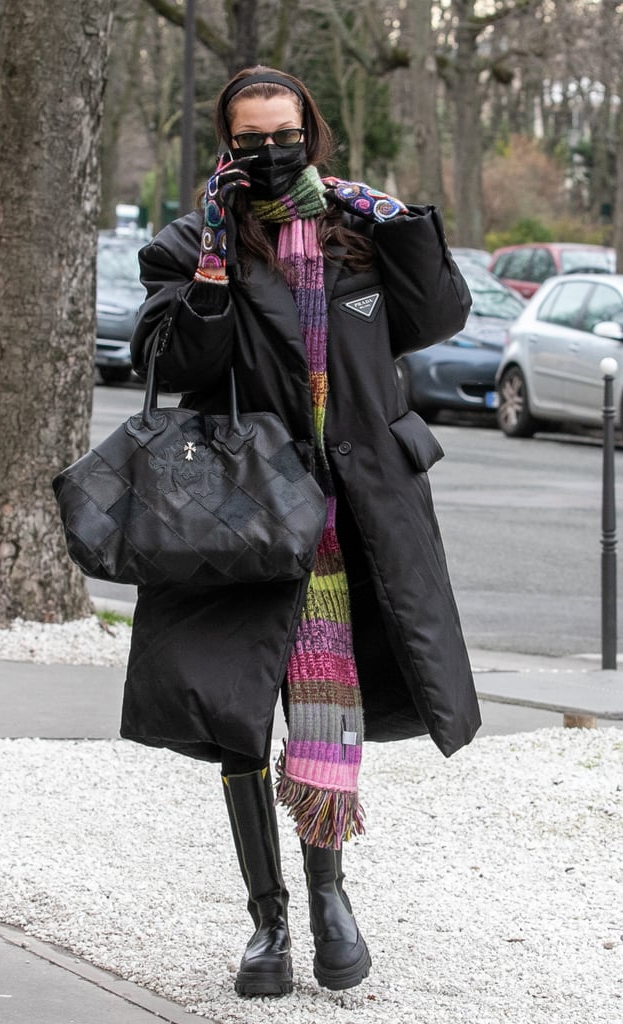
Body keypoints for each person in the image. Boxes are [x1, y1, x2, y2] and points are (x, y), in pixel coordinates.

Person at [120, 65, 481, 998]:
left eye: (284, 136)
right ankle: (268, 920)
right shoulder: (186, 243)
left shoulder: (358, 232)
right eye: (250, 141)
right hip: (237, 509)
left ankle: (330, 899)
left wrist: (396, 219)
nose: (270, 154)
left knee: (334, 702)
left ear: (310, 132)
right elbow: (174, 358)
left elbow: (438, 317)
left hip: (353, 511)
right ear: (226, 145)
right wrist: (209, 253)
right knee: (237, 713)